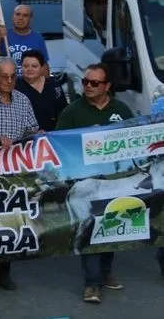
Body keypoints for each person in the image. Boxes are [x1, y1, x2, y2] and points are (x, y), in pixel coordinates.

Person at [55, 63, 133, 305]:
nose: (87, 86)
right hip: (85, 183)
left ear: (107, 86)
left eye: (94, 83)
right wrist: (85, 137)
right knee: (90, 230)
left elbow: (134, 139)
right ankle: (92, 284)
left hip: (114, 182)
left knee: (110, 227)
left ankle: (105, 271)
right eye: (85, 82)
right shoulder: (72, 111)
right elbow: (59, 146)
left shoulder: (122, 109)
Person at [16, 49, 67, 131]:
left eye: (34, 66)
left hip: (55, 135)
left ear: (42, 67)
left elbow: (64, 111)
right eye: (25, 66)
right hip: (27, 137)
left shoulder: (54, 85)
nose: (29, 69)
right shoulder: (14, 87)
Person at [0, 4, 49, 70]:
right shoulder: (3, 35)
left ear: (30, 19)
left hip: (29, 79)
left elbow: (43, 65)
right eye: (18, 14)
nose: (20, 18)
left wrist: (46, 80)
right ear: (13, 16)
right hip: (9, 79)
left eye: (25, 15)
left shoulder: (38, 37)